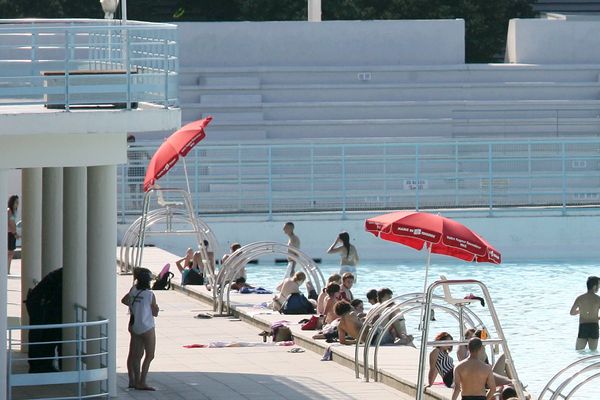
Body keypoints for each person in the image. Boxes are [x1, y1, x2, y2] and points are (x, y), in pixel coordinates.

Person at [121, 268, 159, 391]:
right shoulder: (150, 295)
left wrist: (134, 305)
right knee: (149, 355)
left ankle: (134, 380)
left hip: (135, 325)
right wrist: (156, 308)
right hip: (147, 327)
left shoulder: (133, 290)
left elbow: (124, 300)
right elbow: (155, 313)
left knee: (135, 356)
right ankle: (142, 381)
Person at [570, 276, 600, 350]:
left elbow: (572, 312)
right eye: (599, 285)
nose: (599, 288)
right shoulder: (598, 299)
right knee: (593, 352)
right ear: (594, 286)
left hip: (583, 326)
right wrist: (597, 317)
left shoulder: (580, 298)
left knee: (579, 351)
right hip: (594, 327)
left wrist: (580, 311)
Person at [126, 135, 150, 209]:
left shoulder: (133, 148)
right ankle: (135, 204)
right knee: (133, 188)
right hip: (134, 168)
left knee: (140, 187)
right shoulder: (128, 149)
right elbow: (149, 157)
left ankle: (138, 204)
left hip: (138, 167)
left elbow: (148, 156)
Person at [7, 195, 19, 275]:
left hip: (12, 234)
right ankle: (6, 268)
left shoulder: (14, 212)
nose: (17, 204)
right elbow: (10, 224)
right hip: (9, 234)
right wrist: (15, 234)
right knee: (9, 252)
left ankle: (8, 268)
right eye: (16, 202)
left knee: (11, 253)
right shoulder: (9, 211)